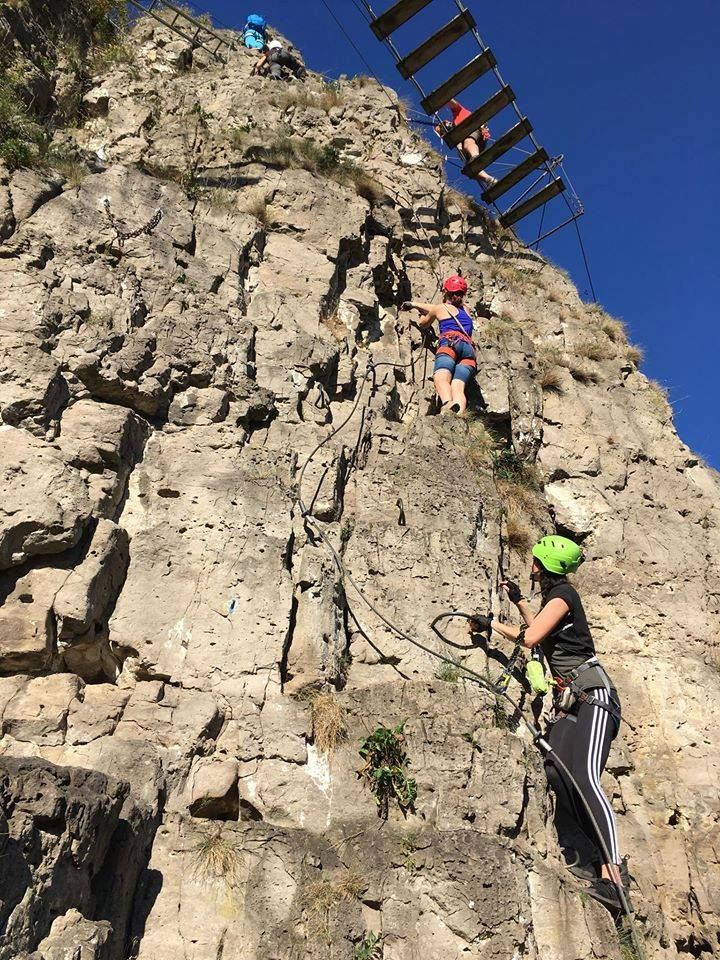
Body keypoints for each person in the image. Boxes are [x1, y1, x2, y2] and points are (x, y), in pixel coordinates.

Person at [472, 535, 626, 912]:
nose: (532, 564)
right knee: (557, 771)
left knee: (586, 777)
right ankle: (590, 858)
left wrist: (490, 624)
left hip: (594, 699)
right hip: (573, 703)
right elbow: (541, 634)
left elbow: (531, 638)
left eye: (535, 560)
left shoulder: (564, 596)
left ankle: (615, 877)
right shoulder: (554, 600)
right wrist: (520, 601)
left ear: (542, 564)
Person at [401, 276, 477, 415]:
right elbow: (436, 308)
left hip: (450, 344)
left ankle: (448, 404)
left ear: (445, 291)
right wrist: (414, 304)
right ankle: (459, 415)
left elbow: (423, 323)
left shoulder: (440, 308)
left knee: (441, 377)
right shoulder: (466, 309)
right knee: (458, 385)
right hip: (469, 351)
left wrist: (419, 313)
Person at [435, 98, 497, 191]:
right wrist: (460, 150)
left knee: (468, 143)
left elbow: (453, 103)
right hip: (474, 144)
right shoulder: (455, 136)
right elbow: (460, 147)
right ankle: (489, 179)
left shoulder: (458, 114)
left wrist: (443, 98)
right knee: (469, 166)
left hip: (473, 128)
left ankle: (475, 157)